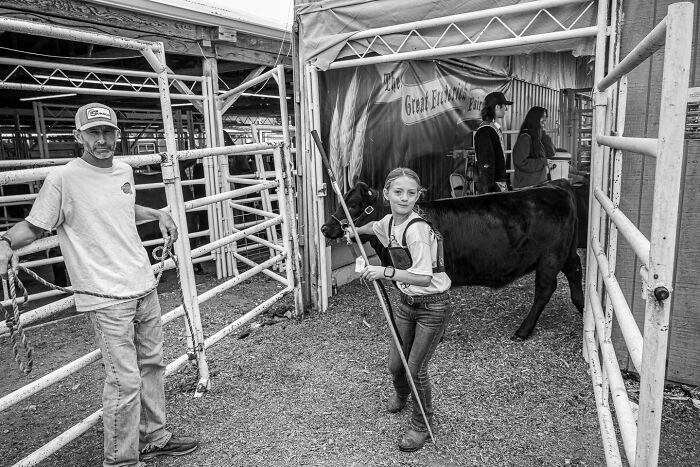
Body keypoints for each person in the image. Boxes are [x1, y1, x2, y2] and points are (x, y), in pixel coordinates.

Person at [0, 103, 199, 467]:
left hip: (142, 284)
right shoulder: (63, 179)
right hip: (105, 294)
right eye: (94, 133)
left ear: (116, 134)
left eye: (108, 132)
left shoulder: (123, 169)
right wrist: (6, 243)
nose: (103, 139)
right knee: (124, 380)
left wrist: (155, 214)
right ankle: (122, 460)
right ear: (79, 137)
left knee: (152, 365)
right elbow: (35, 224)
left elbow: (122, 206)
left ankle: (154, 437)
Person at [356, 167, 452, 452]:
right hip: (406, 304)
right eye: (398, 192)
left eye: (412, 193)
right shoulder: (388, 222)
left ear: (418, 196)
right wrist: (350, 229)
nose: (405, 198)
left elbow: (423, 277)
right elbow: (372, 227)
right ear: (386, 194)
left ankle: (422, 425)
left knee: (416, 369)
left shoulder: (417, 230)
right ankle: (402, 394)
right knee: (395, 364)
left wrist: (382, 271)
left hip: (432, 306)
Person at [473, 91, 512, 193]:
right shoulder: (486, 131)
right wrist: (489, 193)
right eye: (504, 106)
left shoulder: (491, 128)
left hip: (497, 186)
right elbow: (486, 165)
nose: (506, 109)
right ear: (497, 107)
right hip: (492, 189)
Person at [512, 106, 556, 189]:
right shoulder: (525, 138)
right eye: (542, 117)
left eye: (545, 117)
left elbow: (551, 152)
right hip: (527, 187)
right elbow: (521, 163)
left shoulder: (538, 137)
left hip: (538, 185)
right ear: (535, 118)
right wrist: (542, 162)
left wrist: (543, 133)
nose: (545, 120)